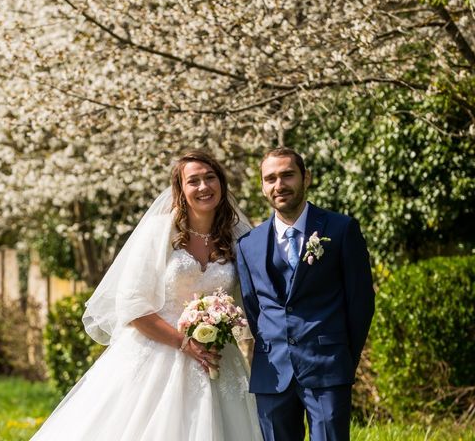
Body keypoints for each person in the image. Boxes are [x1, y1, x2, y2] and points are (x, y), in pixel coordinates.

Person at [31, 150, 264, 441]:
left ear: (221, 184)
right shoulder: (160, 232)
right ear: (180, 189)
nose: (204, 187)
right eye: (193, 181)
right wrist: (184, 342)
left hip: (217, 357)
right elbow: (133, 307)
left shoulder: (236, 236)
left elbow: (259, 294)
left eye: (210, 178)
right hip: (159, 351)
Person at [236, 147, 375, 441]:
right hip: (271, 372)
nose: (279, 185)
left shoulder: (340, 229)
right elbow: (252, 308)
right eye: (270, 178)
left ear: (306, 178)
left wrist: (344, 356)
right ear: (262, 186)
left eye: (288, 175)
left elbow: (360, 302)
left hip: (327, 365)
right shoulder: (249, 243)